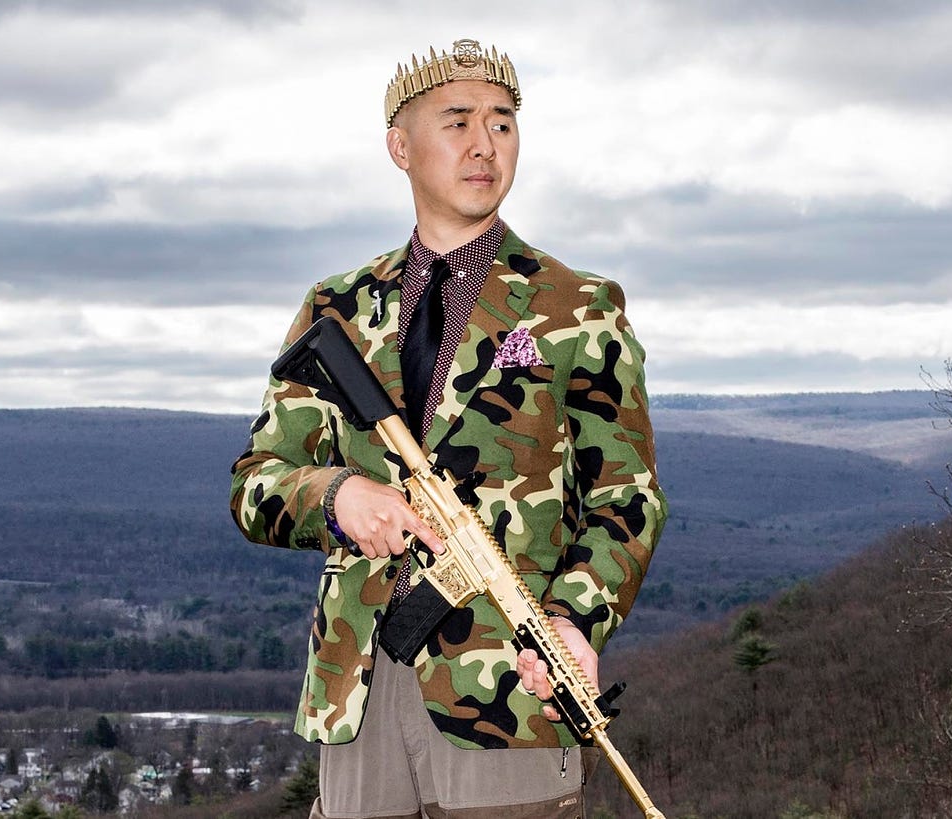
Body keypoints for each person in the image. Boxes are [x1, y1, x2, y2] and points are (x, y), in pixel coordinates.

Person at [231, 37, 667, 819]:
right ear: (400, 146)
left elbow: (626, 499)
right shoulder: (337, 307)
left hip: (509, 684)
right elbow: (257, 480)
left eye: (502, 124)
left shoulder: (578, 307)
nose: (483, 145)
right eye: (457, 121)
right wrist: (336, 495)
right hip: (358, 689)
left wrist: (574, 618)